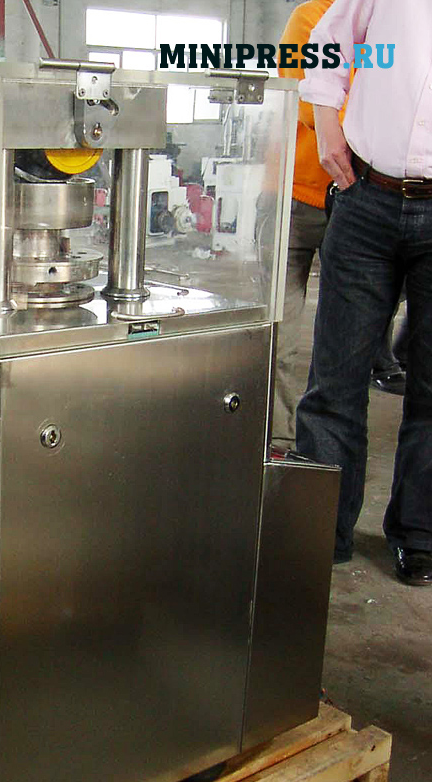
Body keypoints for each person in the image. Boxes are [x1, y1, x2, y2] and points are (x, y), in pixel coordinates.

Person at [296, 0, 432, 584]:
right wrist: (327, 126)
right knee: (335, 381)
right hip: (366, 196)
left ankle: (420, 536)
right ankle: (320, 530)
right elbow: (328, 42)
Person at [272, 0, 341, 450]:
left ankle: (320, 444)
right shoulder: (311, 17)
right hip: (295, 195)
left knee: (341, 342)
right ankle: (276, 436)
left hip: (355, 199)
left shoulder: (384, 23)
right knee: (279, 333)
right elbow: (304, 98)